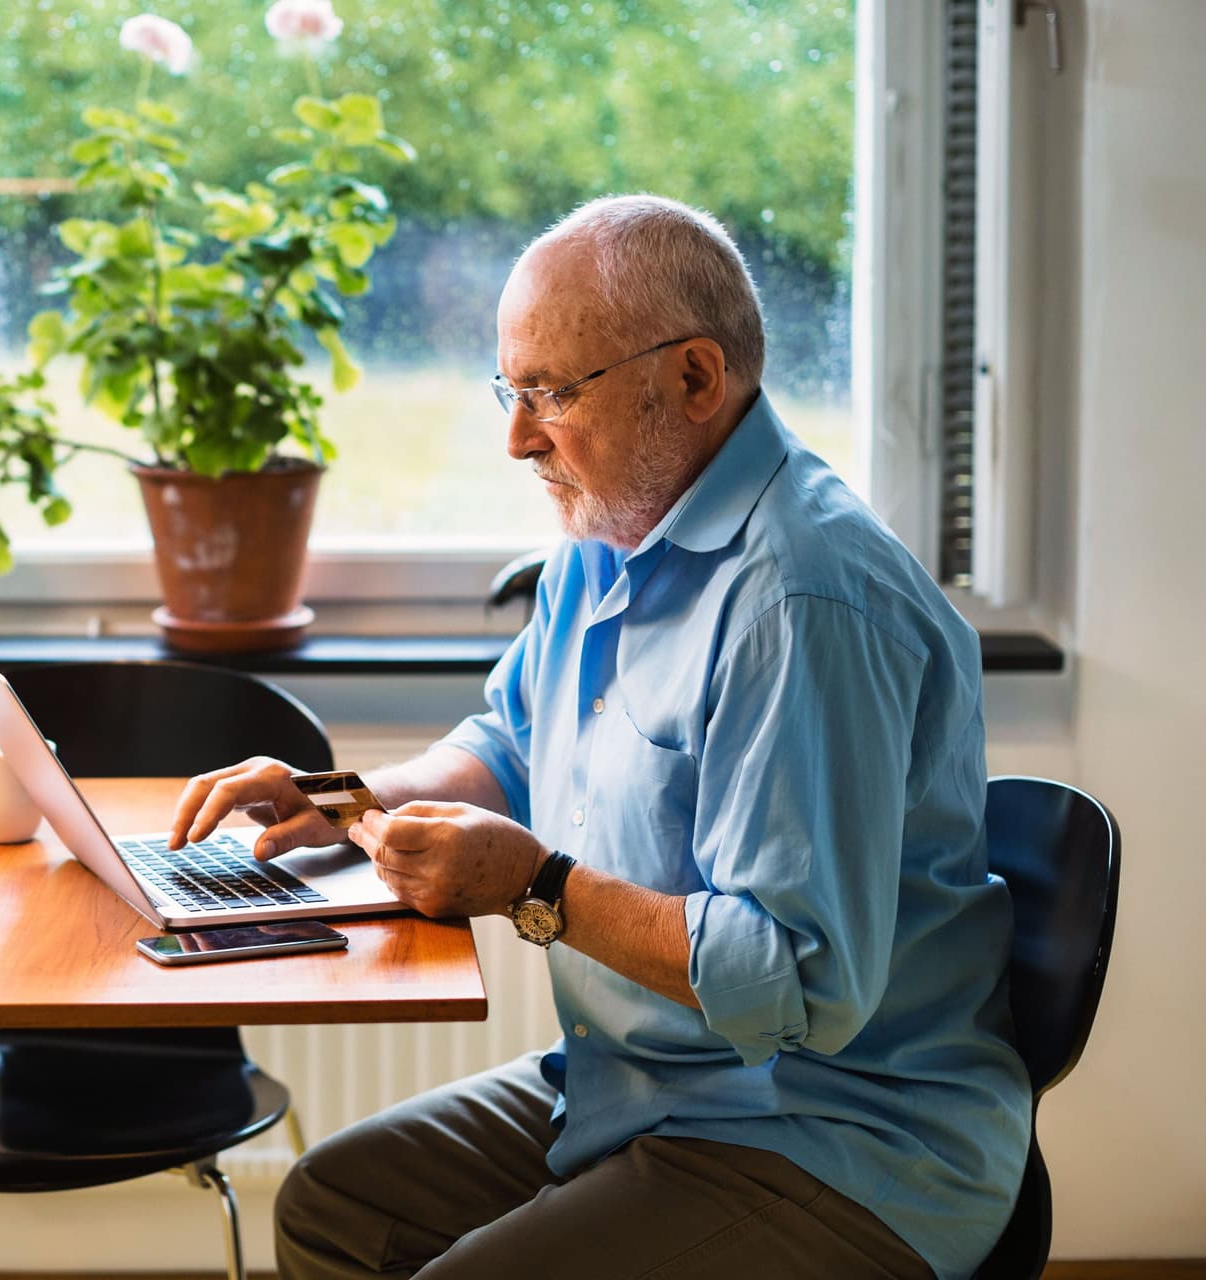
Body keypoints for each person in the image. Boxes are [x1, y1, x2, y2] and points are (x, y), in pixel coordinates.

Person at [168, 193, 1030, 1279]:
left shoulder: (801, 600)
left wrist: (540, 886)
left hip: (837, 1138)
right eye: (511, 389)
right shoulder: (606, 530)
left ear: (695, 379)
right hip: (647, 1081)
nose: (519, 437)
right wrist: (343, 803)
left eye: (551, 393)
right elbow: (514, 742)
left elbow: (800, 980)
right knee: (334, 1206)